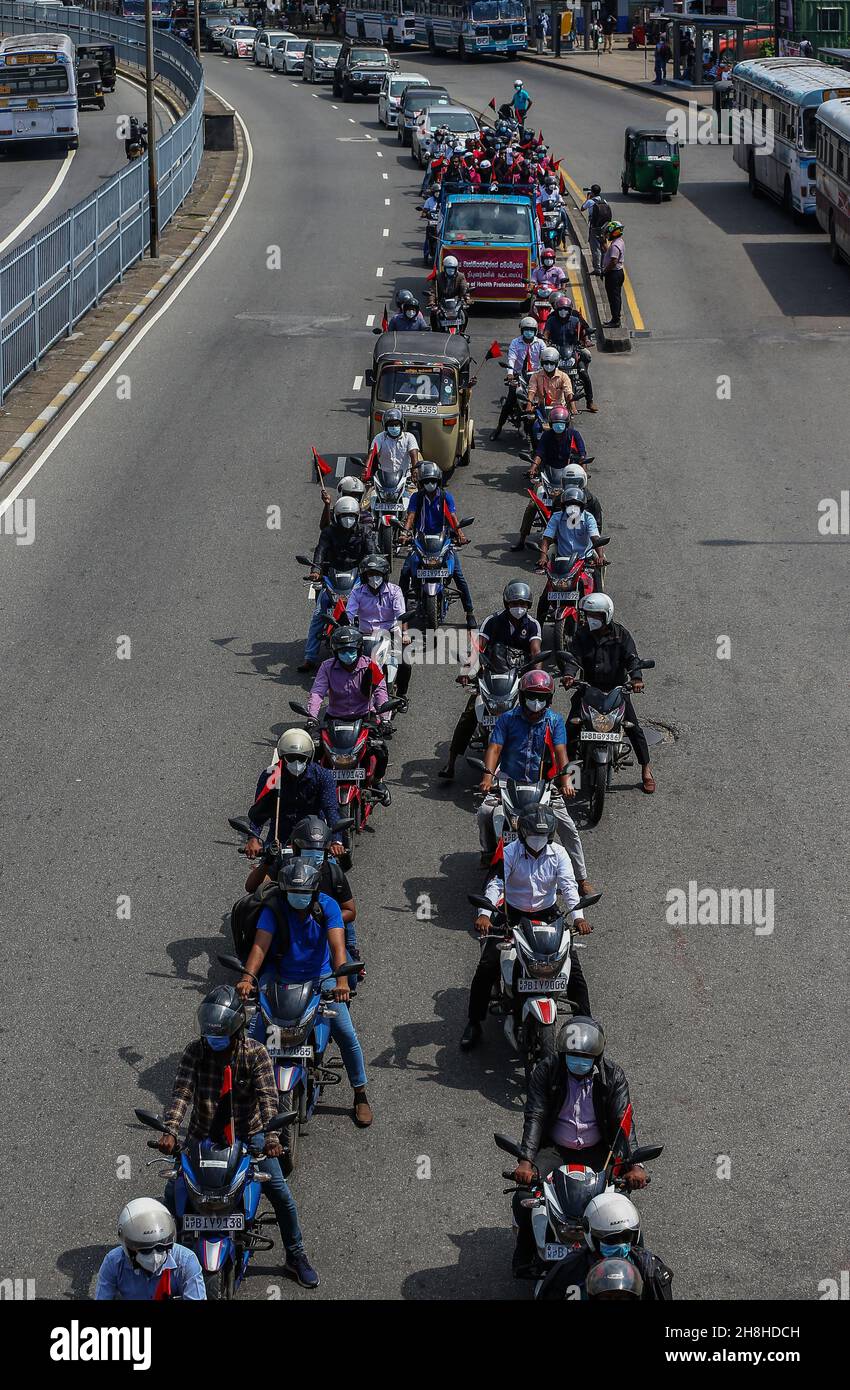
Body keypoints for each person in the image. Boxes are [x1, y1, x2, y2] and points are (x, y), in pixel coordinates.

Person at [158, 985, 319, 1289]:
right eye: (210, 1033)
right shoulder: (196, 1051)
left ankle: (295, 1255)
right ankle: (165, 1261)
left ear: (236, 1030)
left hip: (249, 1136)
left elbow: (269, 1099)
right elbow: (182, 1093)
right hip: (202, 1136)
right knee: (171, 1198)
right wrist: (170, 1129)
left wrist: (272, 1139)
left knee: (282, 1197)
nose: (214, 1039)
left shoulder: (255, 1053)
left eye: (220, 1034)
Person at [237, 858, 373, 1127]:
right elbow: (259, 947)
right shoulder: (273, 909)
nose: (298, 898)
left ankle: (360, 1094)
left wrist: (342, 982)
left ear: (313, 891)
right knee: (253, 1039)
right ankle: (244, 1096)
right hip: (279, 977)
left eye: (304, 893)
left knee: (346, 1033)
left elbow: (337, 949)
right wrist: (247, 977)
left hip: (321, 977)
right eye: (293, 893)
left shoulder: (328, 906)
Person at [509, 1016, 650, 1276]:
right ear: (562, 1054)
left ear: (597, 1057)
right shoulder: (545, 1070)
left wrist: (634, 1166)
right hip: (554, 1150)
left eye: (585, 1056)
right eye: (572, 1055)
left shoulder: (614, 1076)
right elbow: (536, 1116)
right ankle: (526, 1251)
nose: (578, 1060)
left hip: (599, 1152)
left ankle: (637, 1264)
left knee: (621, 1208)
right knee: (525, 1198)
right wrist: (526, 1162)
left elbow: (623, 1123)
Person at [461, 805, 593, 1050]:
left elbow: (568, 888)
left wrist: (578, 918)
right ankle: (474, 1022)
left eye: (542, 836)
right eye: (533, 835)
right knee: (487, 965)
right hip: (512, 914)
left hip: (548, 915)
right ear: (522, 833)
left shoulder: (560, 854)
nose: (537, 840)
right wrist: (485, 914)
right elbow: (496, 885)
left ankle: (586, 1025)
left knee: (573, 970)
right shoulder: (510, 852)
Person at [476, 669, 590, 883]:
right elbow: (494, 748)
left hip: (544, 786)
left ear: (549, 699)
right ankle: (489, 851)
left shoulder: (554, 721)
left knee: (568, 828)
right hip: (508, 782)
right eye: (532, 696)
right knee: (485, 812)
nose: (536, 702)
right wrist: (487, 776)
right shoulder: (507, 719)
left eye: (541, 697)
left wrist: (566, 781)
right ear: (522, 696)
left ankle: (581, 879)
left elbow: (560, 753)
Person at [438, 580, 541, 780]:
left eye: (522, 603)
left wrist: (537, 679)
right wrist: (466, 670)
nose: (518, 608)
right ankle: (450, 763)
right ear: (506, 604)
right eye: (514, 603)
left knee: (538, 714)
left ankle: (543, 768)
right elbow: (477, 648)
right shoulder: (492, 621)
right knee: (469, 714)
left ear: (529, 605)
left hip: (519, 680)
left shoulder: (533, 625)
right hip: (492, 678)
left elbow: (536, 653)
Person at [560, 592, 655, 793]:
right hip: (588, 688)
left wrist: (636, 678)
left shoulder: (621, 634)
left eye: (596, 616)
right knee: (570, 728)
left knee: (634, 728)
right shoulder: (582, 634)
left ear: (607, 615)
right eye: (588, 615)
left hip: (617, 690)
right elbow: (573, 658)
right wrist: (569, 675)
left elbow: (632, 658)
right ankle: (569, 774)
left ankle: (646, 769)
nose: (591, 620)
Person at [306, 624, 392, 802]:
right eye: (342, 650)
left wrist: (384, 719)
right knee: (314, 750)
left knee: (380, 749)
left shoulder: (370, 666)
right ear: (335, 652)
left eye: (351, 650)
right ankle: (313, 785)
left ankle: (377, 781)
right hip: (334, 718)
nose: (347, 654)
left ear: (359, 649)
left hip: (364, 717)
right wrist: (312, 717)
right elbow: (317, 692)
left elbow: (381, 692)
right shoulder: (327, 667)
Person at [300, 495, 376, 672]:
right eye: (343, 516)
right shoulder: (329, 532)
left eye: (350, 516)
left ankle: (373, 650)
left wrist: (372, 569)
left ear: (357, 516)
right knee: (319, 614)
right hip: (332, 577)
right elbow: (320, 551)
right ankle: (310, 657)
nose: (347, 520)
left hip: (357, 577)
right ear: (337, 517)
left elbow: (372, 552)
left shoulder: (365, 532)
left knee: (369, 612)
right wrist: (315, 571)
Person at [243, 728, 344, 862]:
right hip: (279, 841)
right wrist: (253, 838)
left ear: (309, 758)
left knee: (334, 877)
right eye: (291, 758)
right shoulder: (271, 775)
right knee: (255, 883)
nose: (296, 763)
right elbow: (260, 811)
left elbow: (331, 809)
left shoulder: (323, 776)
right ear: (282, 756)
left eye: (301, 758)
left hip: (315, 840)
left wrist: (336, 841)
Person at [398, 462, 476, 627]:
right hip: (420, 542)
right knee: (405, 573)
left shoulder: (445, 497)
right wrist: (404, 533)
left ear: (438, 481)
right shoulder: (416, 498)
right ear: (421, 483)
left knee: (459, 576)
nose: (429, 484)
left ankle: (469, 613)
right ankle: (400, 614)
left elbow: (453, 518)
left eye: (433, 480)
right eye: (426, 481)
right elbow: (411, 516)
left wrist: (460, 535)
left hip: (443, 543)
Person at [95, 1199, 206, 1300]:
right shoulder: (113, 1263)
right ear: (129, 1248)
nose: (155, 1257)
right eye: (146, 1250)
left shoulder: (187, 1262)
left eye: (160, 1247)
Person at [510, 416, 591, 552]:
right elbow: (539, 453)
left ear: (566, 424)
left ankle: (591, 540)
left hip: (570, 479)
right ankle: (522, 539)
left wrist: (583, 470)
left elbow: (582, 454)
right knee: (532, 504)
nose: (558, 428)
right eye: (556, 424)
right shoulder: (547, 436)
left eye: (561, 424)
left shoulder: (574, 435)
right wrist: (533, 467)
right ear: (552, 424)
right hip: (549, 477)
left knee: (587, 501)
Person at [346, 553, 412, 702]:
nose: (374, 577)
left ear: (384, 575)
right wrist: (342, 627)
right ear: (364, 575)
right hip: (365, 636)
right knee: (346, 660)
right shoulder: (357, 592)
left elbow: (401, 614)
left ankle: (402, 696)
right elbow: (349, 614)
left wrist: (405, 634)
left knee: (405, 663)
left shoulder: (395, 591)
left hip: (391, 633)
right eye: (370, 574)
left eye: (377, 574)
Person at [491, 316, 547, 441]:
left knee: (545, 400)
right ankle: (499, 428)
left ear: (536, 331)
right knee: (510, 402)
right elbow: (511, 358)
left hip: (535, 376)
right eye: (526, 330)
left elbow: (545, 358)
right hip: (518, 376)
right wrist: (510, 374)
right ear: (522, 331)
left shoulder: (540, 343)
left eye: (531, 330)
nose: (529, 332)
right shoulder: (515, 343)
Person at [537, 484, 604, 576]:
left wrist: (600, 557)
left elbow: (595, 537)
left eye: (576, 504)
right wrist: (543, 557)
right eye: (569, 504)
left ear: (581, 506)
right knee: (551, 580)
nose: (573, 508)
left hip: (585, 557)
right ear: (564, 506)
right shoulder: (557, 517)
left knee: (597, 577)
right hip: (562, 558)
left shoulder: (588, 518)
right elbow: (547, 538)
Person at [545, 294, 597, 412]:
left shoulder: (576, 320)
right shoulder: (551, 319)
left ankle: (590, 401)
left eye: (566, 309)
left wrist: (584, 341)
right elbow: (546, 333)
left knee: (585, 375)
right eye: (561, 309)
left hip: (573, 350)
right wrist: (544, 340)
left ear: (569, 310)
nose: (563, 312)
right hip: (556, 351)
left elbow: (583, 333)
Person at [370, 407, 420, 484]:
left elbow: (414, 455)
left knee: (414, 495)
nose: (394, 427)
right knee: (370, 495)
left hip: (405, 480)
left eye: (396, 424)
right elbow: (372, 454)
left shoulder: (409, 437)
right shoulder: (379, 437)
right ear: (386, 426)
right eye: (391, 425)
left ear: (402, 425)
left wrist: (415, 472)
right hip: (383, 480)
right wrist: (366, 471)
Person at [428, 255, 471, 328]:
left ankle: (462, 331)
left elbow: (464, 288)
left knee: (465, 314)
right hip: (442, 302)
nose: (450, 271)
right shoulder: (438, 277)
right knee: (433, 314)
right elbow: (433, 291)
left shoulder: (460, 276)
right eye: (448, 269)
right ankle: (435, 332)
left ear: (456, 268)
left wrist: (467, 297)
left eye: (452, 269)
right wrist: (431, 301)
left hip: (456, 302)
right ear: (444, 268)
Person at [580, 184, 611, 276]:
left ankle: (597, 269)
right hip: (604, 227)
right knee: (603, 247)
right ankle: (603, 266)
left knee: (595, 248)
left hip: (595, 228)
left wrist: (588, 198)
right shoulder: (603, 200)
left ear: (592, 192)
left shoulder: (590, 201)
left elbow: (582, 208)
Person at [600, 219, 625, 329]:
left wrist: (604, 271)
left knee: (613, 298)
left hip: (613, 274)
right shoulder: (619, 242)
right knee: (615, 297)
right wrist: (603, 243)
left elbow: (613, 261)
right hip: (617, 273)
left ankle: (615, 320)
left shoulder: (615, 246)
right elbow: (608, 253)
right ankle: (615, 318)